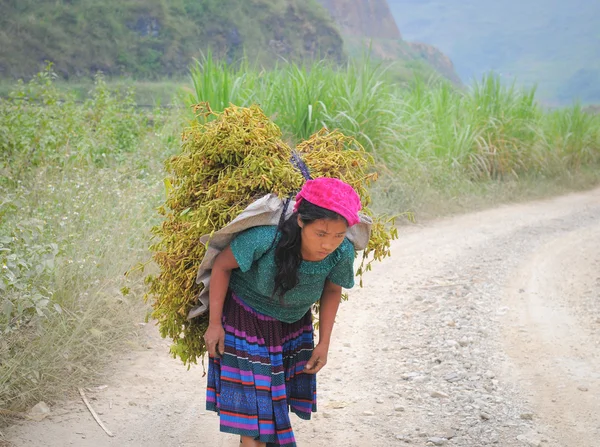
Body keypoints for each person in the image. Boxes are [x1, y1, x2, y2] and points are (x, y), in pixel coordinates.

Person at [203, 177, 362, 447]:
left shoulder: (342, 253)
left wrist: (324, 343)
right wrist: (215, 324)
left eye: (337, 235)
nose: (328, 244)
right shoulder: (266, 238)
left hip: (292, 326)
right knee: (255, 416)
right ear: (301, 221)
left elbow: (332, 291)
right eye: (320, 234)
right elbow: (221, 265)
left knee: (271, 406)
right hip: (246, 320)